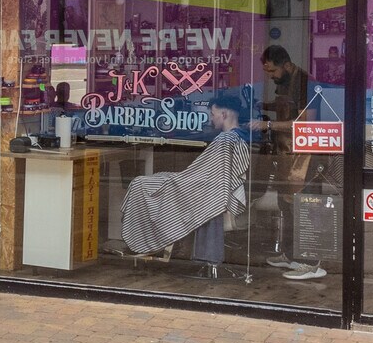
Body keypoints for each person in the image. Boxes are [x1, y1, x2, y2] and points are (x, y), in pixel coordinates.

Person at [120, 94, 252, 273]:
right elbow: (208, 176)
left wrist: (174, 179)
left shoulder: (226, 140)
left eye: (213, 114)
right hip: (209, 188)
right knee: (155, 181)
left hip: (207, 192)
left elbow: (203, 178)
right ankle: (152, 240)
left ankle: (146, 240)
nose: (211, 119)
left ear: (224, 114)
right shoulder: (241, 136)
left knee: (140, 184)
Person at [255, 47, 327, 281]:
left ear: (286, 64)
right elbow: (286, 106)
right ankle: (291, 255)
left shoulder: (305, 82)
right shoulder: (284, 80)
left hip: (304, 155)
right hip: (286, 153)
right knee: (285, 205)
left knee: (306, 207)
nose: (271, 76)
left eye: (273, 70)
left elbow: (306, 122)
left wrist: (268, 126)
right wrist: (264, 106)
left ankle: (311, 263)